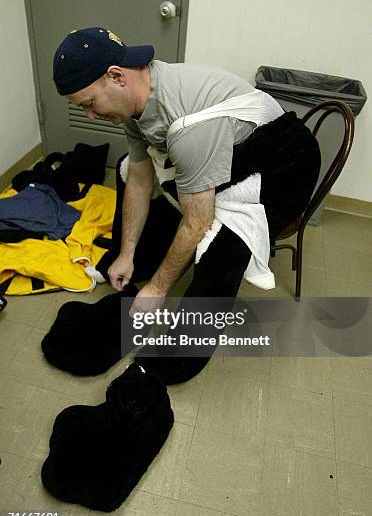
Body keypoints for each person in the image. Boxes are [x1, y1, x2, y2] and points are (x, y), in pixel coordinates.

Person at [53, 27, 321, 383]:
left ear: (116, 77)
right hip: (231, 147)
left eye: (89, 104)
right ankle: (135, 266)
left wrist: (160, 288)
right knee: (140, 183)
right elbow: (138, 176)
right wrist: (128, 252)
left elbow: (198, 223)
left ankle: (178, 357)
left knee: (223, 245)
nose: (89, 115)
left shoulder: (188, 128)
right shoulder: (137, 99)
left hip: (285, 160)